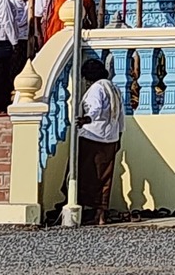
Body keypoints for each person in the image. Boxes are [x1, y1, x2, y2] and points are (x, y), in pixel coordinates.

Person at [76, 55, 123, 224]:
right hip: (111, 138)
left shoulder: (97, 88)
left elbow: (95, 108)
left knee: (86, 176)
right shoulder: (115, 88)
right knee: (105, 179)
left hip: (92, 137)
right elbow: (121, 116)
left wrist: (85, 119)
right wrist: (119, 136)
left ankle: (81, 211)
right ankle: (101, 214)